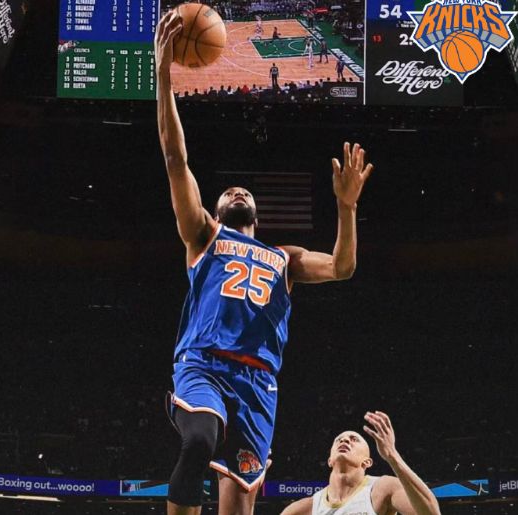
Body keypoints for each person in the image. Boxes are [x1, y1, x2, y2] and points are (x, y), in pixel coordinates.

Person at [155, 12, 374, 515]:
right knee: (198, 441)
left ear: (256, 213)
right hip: (205, 364)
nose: (238, 192)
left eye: (244, 192)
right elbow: (174, 159)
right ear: (217, 210)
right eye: (229, 191)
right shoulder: (204, 234)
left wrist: (346, 208)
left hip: (259, 384)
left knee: (238, 506)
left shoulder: (285, 259)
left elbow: (342, 267)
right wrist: (163, 75)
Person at [281, 412, 441, 515]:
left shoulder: (381, 488)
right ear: (330, 460)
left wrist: (392, 456)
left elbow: (430, 513)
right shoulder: (305, 508)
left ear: (367, 462)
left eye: (354, 439)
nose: (344, 440)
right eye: (339, 439)